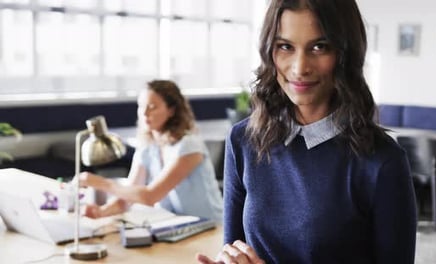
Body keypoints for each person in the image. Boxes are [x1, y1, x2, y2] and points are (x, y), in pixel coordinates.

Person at [197, 0, 417, 263]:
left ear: (346, 53)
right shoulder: (242, 140)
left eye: (319, 47)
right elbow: (235, 249)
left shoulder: (382, 161)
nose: (300, 67)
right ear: (269, 51)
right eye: (285, 47)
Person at [78, 80, 223, 222]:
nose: (145, 113)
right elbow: (128, 196)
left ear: (171, 110)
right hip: (175, 227)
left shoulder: (189, 146)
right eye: (141, 106)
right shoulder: (147, 147)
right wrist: (101, 212)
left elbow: (150, 196)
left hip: (210, 227)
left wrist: (103, 184)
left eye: (152, 107)